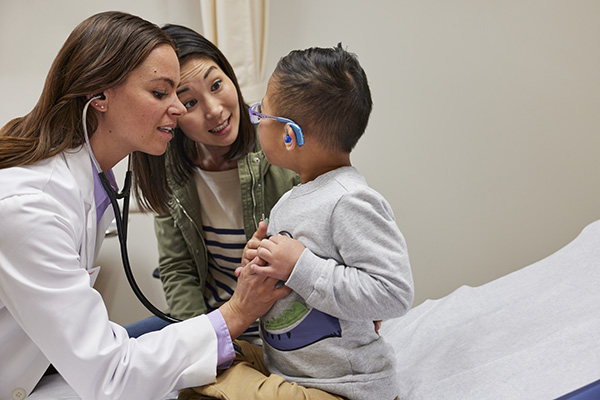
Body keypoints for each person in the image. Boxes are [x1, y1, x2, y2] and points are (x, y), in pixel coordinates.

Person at [0, 11, 289, 400]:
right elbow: (112, 375)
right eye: (161, 93)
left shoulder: (89, 184)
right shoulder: (30, 208)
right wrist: (236, 313)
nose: (179, 109)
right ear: (98, 96)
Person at [185, 44, 414, 400]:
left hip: (342, 388)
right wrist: (261, 263)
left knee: (211, 381)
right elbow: (290, 276)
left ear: (289, 136)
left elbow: (394, 293)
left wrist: (299, 265)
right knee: (197, 357)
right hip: (290, 371)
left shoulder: (350, 199)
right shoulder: (290, 202)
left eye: (262, 113)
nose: (254, 117)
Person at [130, 24, 299, 340]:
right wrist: (201, 342)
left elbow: (336, 237)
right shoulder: (170, 168)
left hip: (284, 329)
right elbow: (178, 270)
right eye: (190, 103)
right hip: (212, 324)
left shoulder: (283, 141)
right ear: (172, 113)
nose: (215, 110)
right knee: (109, 352)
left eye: (216, 84)